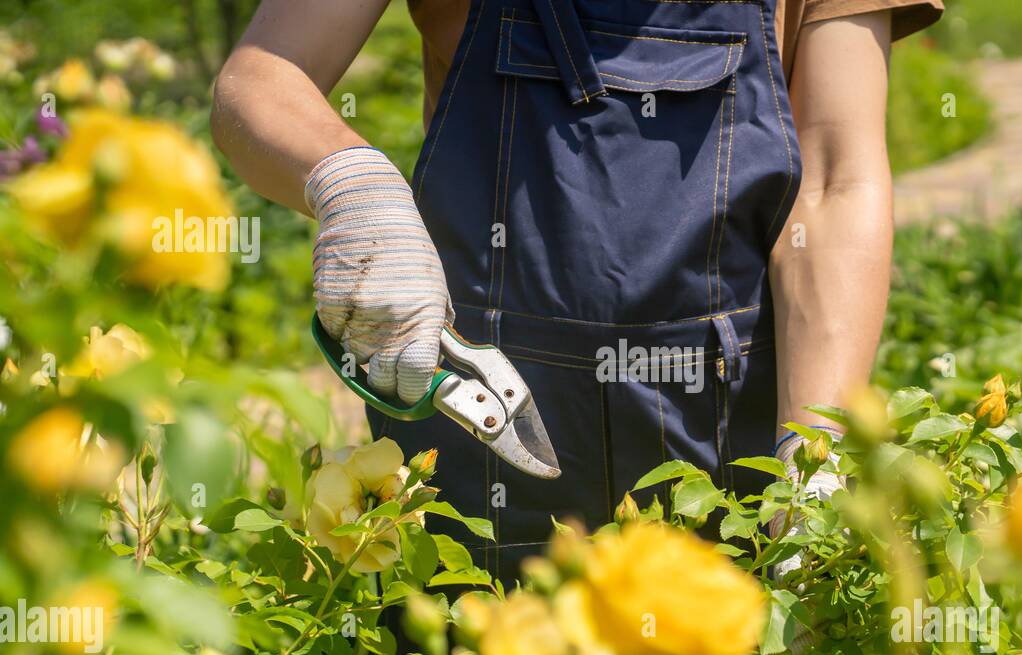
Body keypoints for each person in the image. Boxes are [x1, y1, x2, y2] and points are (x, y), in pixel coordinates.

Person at [212, 0, 941, 595]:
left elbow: (837, 178)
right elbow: (264, 77)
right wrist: (351, 184)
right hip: (479, 447)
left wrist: (814, 462)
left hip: (731, 458)